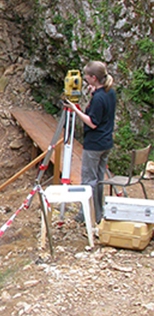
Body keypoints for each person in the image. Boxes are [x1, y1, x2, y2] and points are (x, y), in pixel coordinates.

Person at [64, 61, 116, 223]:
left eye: (86, 76)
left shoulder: (99, 99)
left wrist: (75, 110)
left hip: (94, 144)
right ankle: (98, 214)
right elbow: (102, 109)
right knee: (98, 179)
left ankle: (86, 215)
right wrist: (93, 93)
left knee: (89, 180)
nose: (84, 78)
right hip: (106, 142)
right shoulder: (109, 92)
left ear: (93, 78)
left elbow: (92, 122)